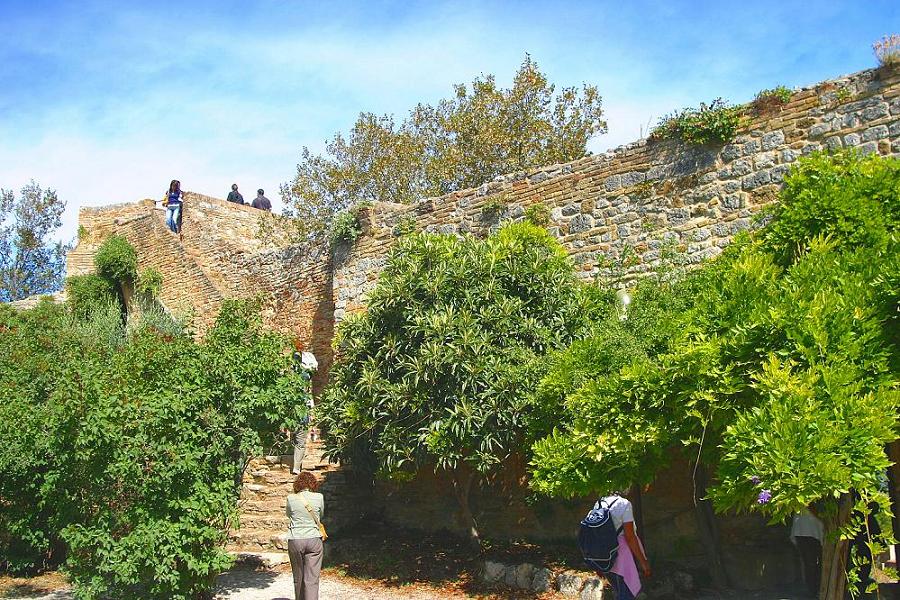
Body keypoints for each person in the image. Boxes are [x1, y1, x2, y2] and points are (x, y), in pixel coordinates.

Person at [600, 491, 651, 600]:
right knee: (626, 594)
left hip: (604, 555)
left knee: (619, 592)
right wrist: (643, 562)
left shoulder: (600, 503)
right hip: (622, 557)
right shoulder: (624, 504)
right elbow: (630, 537)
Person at [286, 471, 325, 600]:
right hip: (314, 538)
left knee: (298, 577)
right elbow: (321, 515)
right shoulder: (319, 497)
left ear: (297, 484)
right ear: (313, 484)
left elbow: (289, 514)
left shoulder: (291, 498)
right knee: (312, 579)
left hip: (296, 538)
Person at [291, 345, 318, 474]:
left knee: (297, 439)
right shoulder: (304, 378)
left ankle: (296, 465)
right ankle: (296, 467)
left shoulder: (296, 380)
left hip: (295, 414)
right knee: (300, 442)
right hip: (301, 415)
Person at [790, 509, 823, 597]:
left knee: (812, 562)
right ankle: (814, 590)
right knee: (811, 562)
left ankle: (814, 590)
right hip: (806, 529)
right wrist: (821, 517)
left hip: (806, 527)